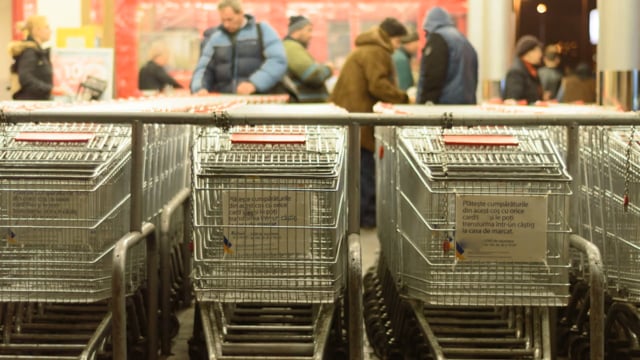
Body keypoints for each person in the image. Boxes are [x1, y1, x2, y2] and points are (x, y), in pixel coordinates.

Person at [330, 17, 410, 228]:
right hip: (361, 118)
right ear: (390, 37)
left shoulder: (365, 49)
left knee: (358, 169)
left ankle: (359, 216)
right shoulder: (377, 51)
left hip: (351, 115)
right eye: (398, 40)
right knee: (365, 170)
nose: (398, 46)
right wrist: (403, 97)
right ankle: (365, 217)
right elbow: (378, 85)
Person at [190, 0, 287, 95]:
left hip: (259, 99)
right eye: (223, 20)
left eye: (230, 19)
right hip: (226, 100)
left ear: (241, 13)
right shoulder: (215, 39)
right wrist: (199, 88)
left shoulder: (262, 31)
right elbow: (203, 68)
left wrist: (254, 84)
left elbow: (277, 61)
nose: (226, 24)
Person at [416, 7, 478, 104]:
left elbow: (433, 75)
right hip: (466, 104)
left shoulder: (438, 39)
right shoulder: (463, 40)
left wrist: (425, 102)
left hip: (444, 106)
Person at [8, 15, 62, 100]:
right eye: (46, 27)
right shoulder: (30, 52)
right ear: (37, 30)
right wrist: (50, 89)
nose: (50, 31)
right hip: (30, 104)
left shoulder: (38, 52)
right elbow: (26, 78)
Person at [282, 16, 333, 103]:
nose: (311, 35)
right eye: (308, 30)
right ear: (297, 31)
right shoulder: (291, 48)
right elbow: (313, 77)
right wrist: (328, 69)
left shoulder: (291, 47)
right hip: (306, 106)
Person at [503, 35, 544, 104]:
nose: (540, 54)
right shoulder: (516, 72)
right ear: (528, 52)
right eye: (538, 51)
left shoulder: (531, 70)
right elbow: (513, 100)